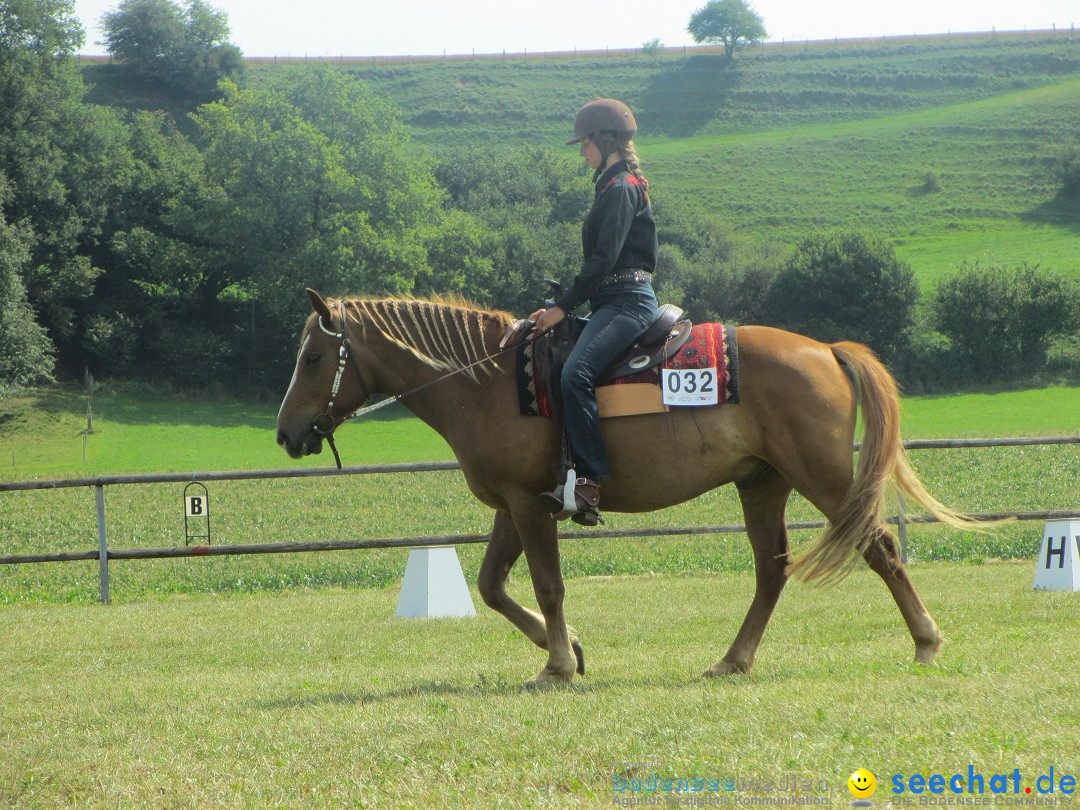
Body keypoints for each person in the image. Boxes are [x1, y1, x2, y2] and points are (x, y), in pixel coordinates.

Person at [532, 98, 659, 526]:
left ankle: (588, 482)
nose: (581, 152)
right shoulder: (612, 185)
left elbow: (603, 260)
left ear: (604, 141)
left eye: (584, 143)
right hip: (611, 301)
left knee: (576, 374)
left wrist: (563, 307)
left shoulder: (621, 188)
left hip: (627, 302)